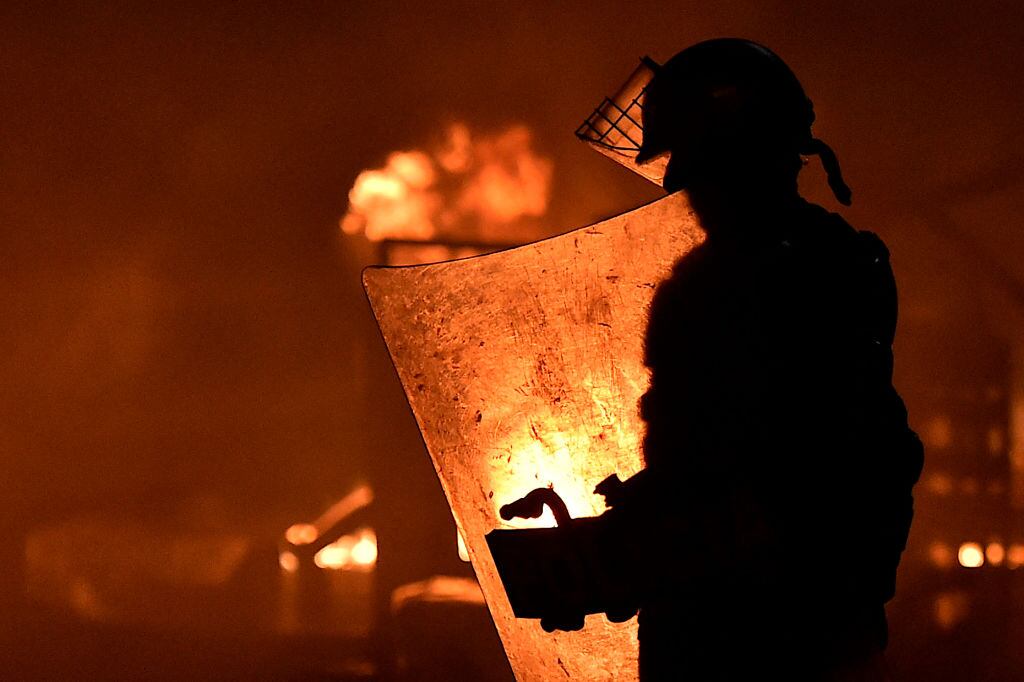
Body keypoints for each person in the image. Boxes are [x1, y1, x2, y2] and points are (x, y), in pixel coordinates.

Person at [554, 39, 923, 681]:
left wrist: (640, 551)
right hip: (730, 631)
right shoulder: (743, 276)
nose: (675, 186)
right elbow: (707, 467)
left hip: (779, 644)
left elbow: (801, 481)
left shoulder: (811, 279)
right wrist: (615, 548)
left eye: (694, 166)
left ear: (746, 159)